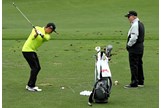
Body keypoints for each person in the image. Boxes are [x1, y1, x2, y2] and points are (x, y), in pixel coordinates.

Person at [22, 23, 57, 91]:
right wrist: (36, 34)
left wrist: (41, 34)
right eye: (51, 30)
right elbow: (32, 37)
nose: (51, 32)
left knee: (37, 68)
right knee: (35, 68)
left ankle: (30, 85)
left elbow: (46, 38)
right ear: (48, 28)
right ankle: (30, 86)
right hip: (27, 50)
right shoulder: (37, 28)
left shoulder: (48, 36)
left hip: (32, 51)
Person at [124, 11, 145, 88]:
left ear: (133, 16)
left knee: (134, 65)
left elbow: (134, 38)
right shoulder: (140, 23)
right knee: (139, 64)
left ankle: (134, 82)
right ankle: (140, 81)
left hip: (135, 48)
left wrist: (128, 45)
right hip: (140, 47)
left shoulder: (135, 25)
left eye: (129, 17)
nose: (128, 18)